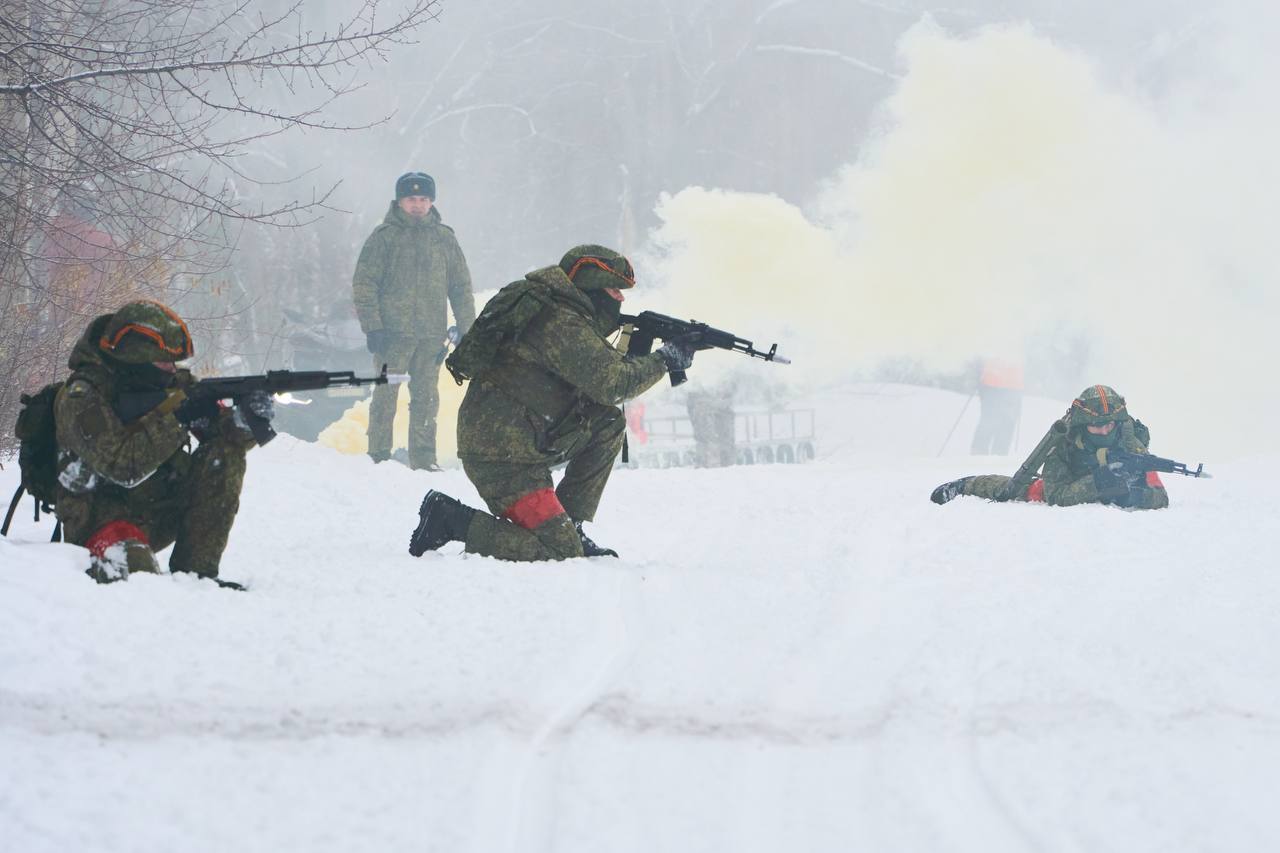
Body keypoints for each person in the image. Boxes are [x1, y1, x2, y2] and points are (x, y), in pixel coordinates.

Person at [408, 244, 695, 561]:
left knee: (607, 421)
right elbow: (614, 384)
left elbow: (603, 376)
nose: (621, 299)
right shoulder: (561, 322)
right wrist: (665, 359)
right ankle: (450, 519)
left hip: (522, 438)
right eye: (615, 290)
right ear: (593, 286)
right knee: (560, 550)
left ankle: (570, 525)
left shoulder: (561, 312)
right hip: (503, 457)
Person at [53, 300, 269, 585]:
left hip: (158, 509)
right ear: (136, 358)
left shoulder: (170, 384)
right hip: (100, 519)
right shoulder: (81, 397)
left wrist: (244, 421)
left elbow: (222, 433)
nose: (171, 369)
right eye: (164, 361)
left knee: (224, 454)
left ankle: (196, 577)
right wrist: (178, 418)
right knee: (138, 584)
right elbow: (122, 466)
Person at [352, 171, 475, 470]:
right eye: (411, 199)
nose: (418, 205)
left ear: (431, 202)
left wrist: (468, 330)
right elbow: (364, 285)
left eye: (423, 199)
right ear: (399, 201)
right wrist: (373, 327)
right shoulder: (384, 238)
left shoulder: (444, 239)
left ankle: (424, 459)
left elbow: (460, 287)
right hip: (392, 337)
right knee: (385, 398)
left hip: (431, 337)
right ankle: (378, 455)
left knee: (426, 400)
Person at [931, 384, 1170, 510]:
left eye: (1109, 425)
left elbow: (1160, 496)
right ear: (1083, 425)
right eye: (1097, 427)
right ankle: (966, 484)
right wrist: (1098, 482)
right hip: (1066, 481)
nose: (1105, 431)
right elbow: (1057, 496)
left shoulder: (1129, 441)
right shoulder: (1064, 444)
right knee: (1019, 490)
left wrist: (1130, 496)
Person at [970, 356, 1024, 455]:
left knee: (997, 422)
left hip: (1005, 385)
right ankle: (983, 453)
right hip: (998, 383)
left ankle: (991, 454)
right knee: (993, 421)